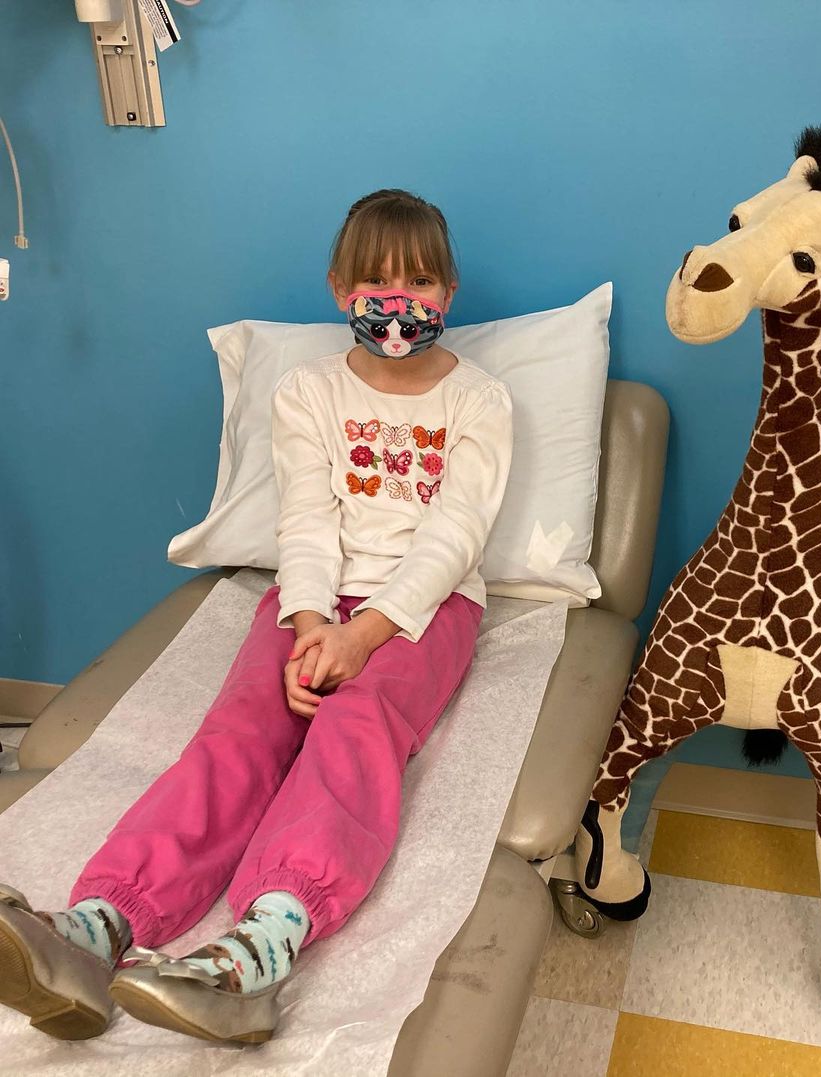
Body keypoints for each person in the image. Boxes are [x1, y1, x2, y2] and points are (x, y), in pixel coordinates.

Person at [0, 189, 513, 1045]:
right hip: (311, 598)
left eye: (420, 282)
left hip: (425, 609)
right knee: (241, 726)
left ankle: (263, 945)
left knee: (356, 722)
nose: (399, 302)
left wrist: (362, 636)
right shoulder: (307, 392)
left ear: (449, 292)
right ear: (339, 290)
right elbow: (306, 519)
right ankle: (99, 925)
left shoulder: (480, 400)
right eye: (377, 282)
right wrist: (311, 623)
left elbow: (454, 535)